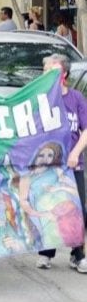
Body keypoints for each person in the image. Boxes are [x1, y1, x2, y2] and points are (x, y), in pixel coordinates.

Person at [34, 54, 87, 273]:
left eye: (52, 71)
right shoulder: (39, 99)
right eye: (45, 70)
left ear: (63, 74)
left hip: (73, 164)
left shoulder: (76, 98)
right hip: (49, 166)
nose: (48, 75)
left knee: (78, 209)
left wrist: (75, 152)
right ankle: (47, 252)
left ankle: (78, 254)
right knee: (48, 207)